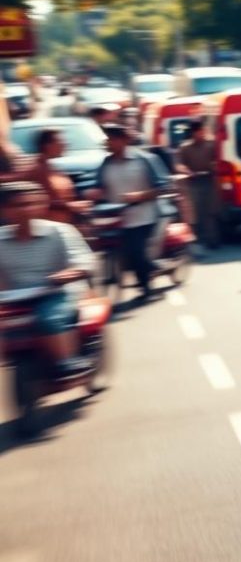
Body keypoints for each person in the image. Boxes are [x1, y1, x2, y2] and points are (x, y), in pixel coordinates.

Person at [0, 180, 96, 377]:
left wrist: (68, 274)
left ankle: (67, 360)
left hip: (59, 292)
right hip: (13, 299)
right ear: (4, 210)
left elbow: (85, 261)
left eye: (30, 203)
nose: (25, 210)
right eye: (17, 205)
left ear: (41, 205)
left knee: (48, 318)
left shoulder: (60, 231)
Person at [89, 124, 169, 300]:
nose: (108, 142)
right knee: (126, 253)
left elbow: (162, 187)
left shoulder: (145, 159)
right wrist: (95, 192)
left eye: (112, 138)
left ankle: (149, 282)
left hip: (145, 216)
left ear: (124, 140)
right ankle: (147, 276)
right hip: (118, 218)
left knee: (137, 252)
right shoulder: (106, 163)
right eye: (107, 139)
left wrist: (141, 196)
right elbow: (99, 186)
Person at [175, 123, 218, 249]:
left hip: (209, 180)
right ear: (193, 133)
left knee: (211, 210)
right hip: (194, 182)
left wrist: (213, 166)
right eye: (198, 132)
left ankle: (213, 239)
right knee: (198, 211)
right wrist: (187, 171)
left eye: (202, 131)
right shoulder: (185, 148)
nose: (201, 134)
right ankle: (200, 238)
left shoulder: (211, 145)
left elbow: (217, 159)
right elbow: (179, 165)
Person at [26, 129, 81, 225]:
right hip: (50, 225)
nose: (65, 144)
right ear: (47, 145)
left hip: (65, 222)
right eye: (60, 141)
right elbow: (43, 200)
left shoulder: (51, 167)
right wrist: (72, 206)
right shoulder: (38, 169)